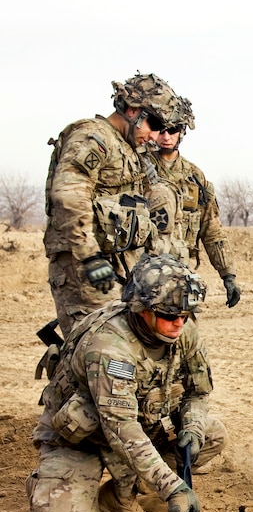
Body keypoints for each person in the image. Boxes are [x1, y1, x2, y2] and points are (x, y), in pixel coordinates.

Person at [26, 253, 226, 512]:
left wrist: (192, 429)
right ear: (141, 309)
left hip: (137, 427)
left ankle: (121, 497)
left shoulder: (183, 332)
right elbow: (122, 430)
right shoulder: (110, 347)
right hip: (82, 440)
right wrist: (172, 487)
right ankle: (48, 485)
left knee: (212, 434)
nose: (179, 324)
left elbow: (197, 392)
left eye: (186, 316)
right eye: (170, 316)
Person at [44, 73, 179, 336]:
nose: (155, 135)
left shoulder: (132, 149)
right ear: (132, 111)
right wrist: (89, 258)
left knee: (126, 348)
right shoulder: (93, 138)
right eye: (153, 124)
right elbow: (70, 195)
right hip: (84, 267)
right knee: (97, 346)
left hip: (122, 264)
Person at [147, 96, 242, 308]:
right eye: (160, 129)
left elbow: (211, 229)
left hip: (181, 270)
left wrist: (228, 275)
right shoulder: (139, 169)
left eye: (172, 130)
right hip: (144, 270)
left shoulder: (195, 177)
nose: (166, 136)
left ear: (182, 132)